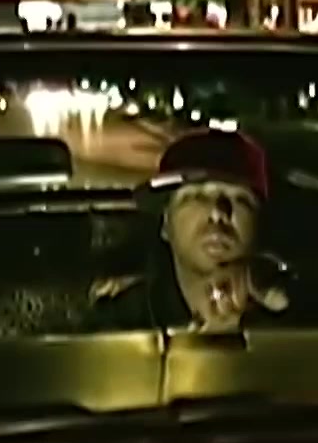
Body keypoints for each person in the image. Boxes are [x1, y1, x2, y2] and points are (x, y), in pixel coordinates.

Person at [89, 129, 293, 332]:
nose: (217, 212)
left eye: (239, 199)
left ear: (260, 222)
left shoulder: (294, 318)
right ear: (166, 224)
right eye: (196, 196)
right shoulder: (121, 321)